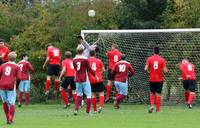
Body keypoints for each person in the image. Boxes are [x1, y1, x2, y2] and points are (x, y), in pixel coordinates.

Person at [73, 45, 99, 115]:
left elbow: (75, 70)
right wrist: (95, 75)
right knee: (88, 95)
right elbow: (89, 69)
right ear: (83, 51)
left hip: (77, 79)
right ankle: (87, 111)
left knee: (79, 94)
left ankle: (75, 110)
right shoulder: (85, 59)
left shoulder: (74, 59)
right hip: (84, 78)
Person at [144, 47, 168, 113]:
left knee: (152, 93)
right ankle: (157, 110)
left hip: (152, 79)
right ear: (159, 52)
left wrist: (149, 72)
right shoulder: (162, 60)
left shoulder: (149, 59)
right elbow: (165, 71)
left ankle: (152, 105)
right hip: (159, 80)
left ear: (153, 51)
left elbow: (145, 69)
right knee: (158, 94)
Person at [0, 52, 21, 124]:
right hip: (11, 85)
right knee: (11, 103)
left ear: (8, 58)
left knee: (4, 102)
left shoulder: (2, 65)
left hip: (2, 84)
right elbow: (19, 78)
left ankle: (7, 118)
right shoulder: (17, 66)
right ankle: (10, 119)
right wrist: (17, 86)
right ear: (15, 58)